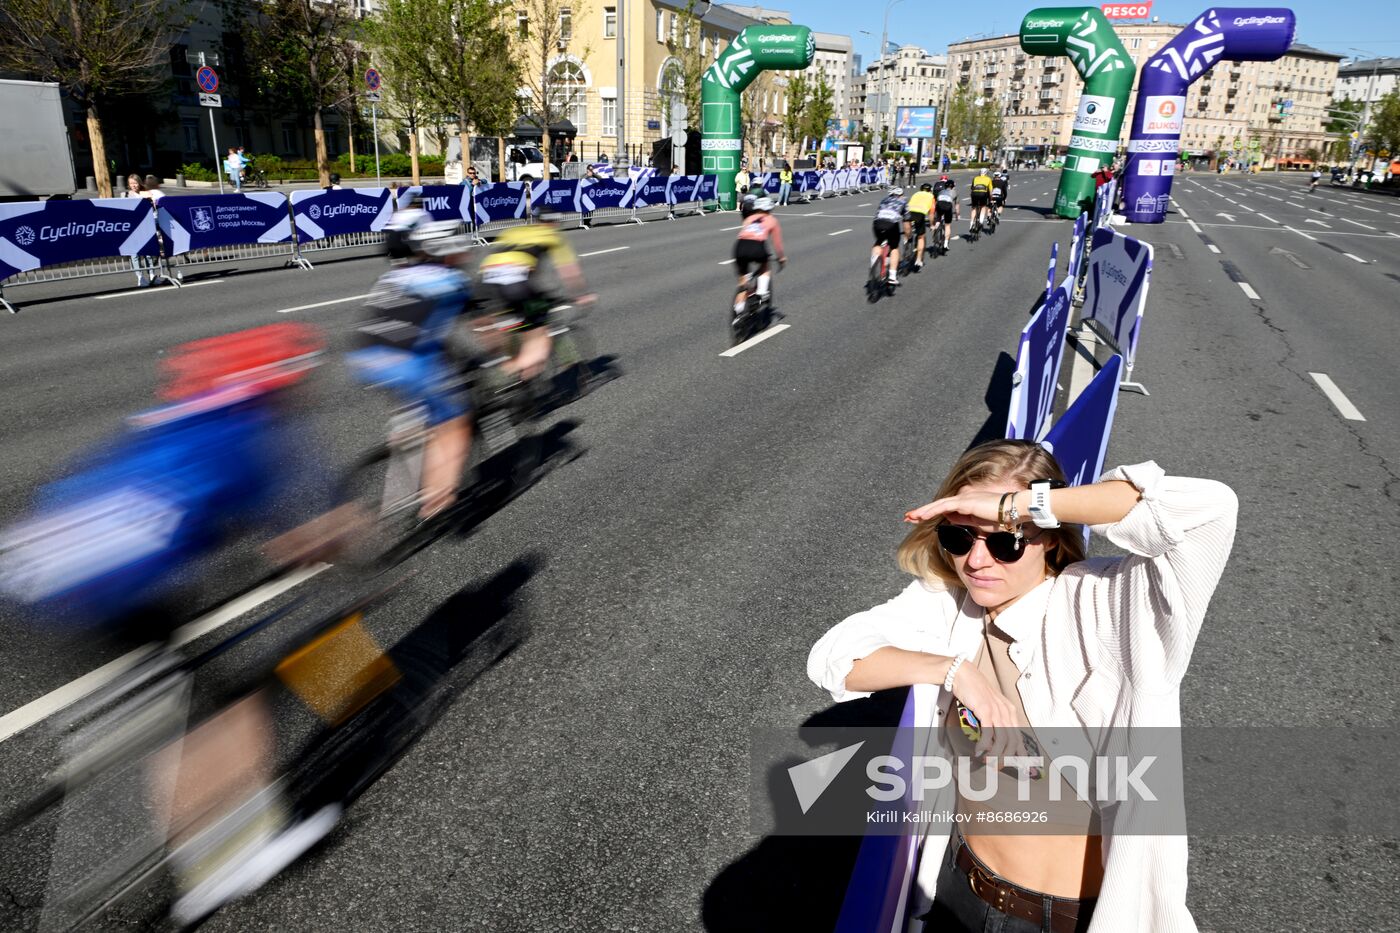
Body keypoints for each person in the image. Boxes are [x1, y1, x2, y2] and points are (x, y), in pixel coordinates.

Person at [807, 439, 1237, 933]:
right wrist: (956, 671)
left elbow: (1209, 511)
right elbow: (834, 658)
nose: (977, 561)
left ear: (1050, 536)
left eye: (1006, 540)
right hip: (955, 888)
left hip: (1064, 919)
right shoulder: (951, 604)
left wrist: (1021, 505)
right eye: (960, 537)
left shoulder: (1108, 607)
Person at [350, 220, 478, 519]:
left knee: (417, 403)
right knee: (457, 425)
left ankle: (406, 432)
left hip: (365, 355)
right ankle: (438, 499)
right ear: (450, 251)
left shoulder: (393, 276)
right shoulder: (455, 280)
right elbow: (476, 327)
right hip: (411, 363)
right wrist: (499, 353)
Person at [475, 207, 595, 380]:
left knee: (513, 320)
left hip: (485, 282)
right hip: (516, 284)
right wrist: (582, 295)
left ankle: (507, 370)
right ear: (555, 221)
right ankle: (518, 371)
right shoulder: (553, 236)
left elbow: (506, 258)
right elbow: (569, 272)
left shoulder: (513, 231)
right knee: (539, 332)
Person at [731, 196, 785, 316]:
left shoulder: (749, 218)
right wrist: (781, 258)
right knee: (765, 266)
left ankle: (739, 310)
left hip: (740, 246)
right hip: (757, 247)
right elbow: (777, 243)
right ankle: (761, 291)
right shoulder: (772, 219)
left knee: (743, 281)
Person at [871, 186, 909, 288]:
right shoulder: (903, 202)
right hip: (891, 224)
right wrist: (907, 234)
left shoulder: (884, 200)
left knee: (879, 242)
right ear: (900, 195)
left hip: (877, 222)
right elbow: (906, 222)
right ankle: (892, 276)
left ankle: (874, 260)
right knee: (894, 247)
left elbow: (878, 213)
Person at [905, 183, 934, 273]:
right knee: (921, 236)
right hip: (919, 214)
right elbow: (931, 213)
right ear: (930, 190)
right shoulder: (931, 196)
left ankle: (906, 241)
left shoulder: (916, 193)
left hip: (908, 212)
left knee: (908, 230)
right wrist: (932, 224)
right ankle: (918, 260)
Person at [969, 168, 993, 233]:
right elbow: (990, 191)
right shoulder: (988, 179)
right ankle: (981, 222)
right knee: (983, 206)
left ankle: (971, 224)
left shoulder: (975, 178)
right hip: (983, 193)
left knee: (973, 208)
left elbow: (972, 188)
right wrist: (991, 199)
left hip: (974, 193)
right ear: (986, 173)